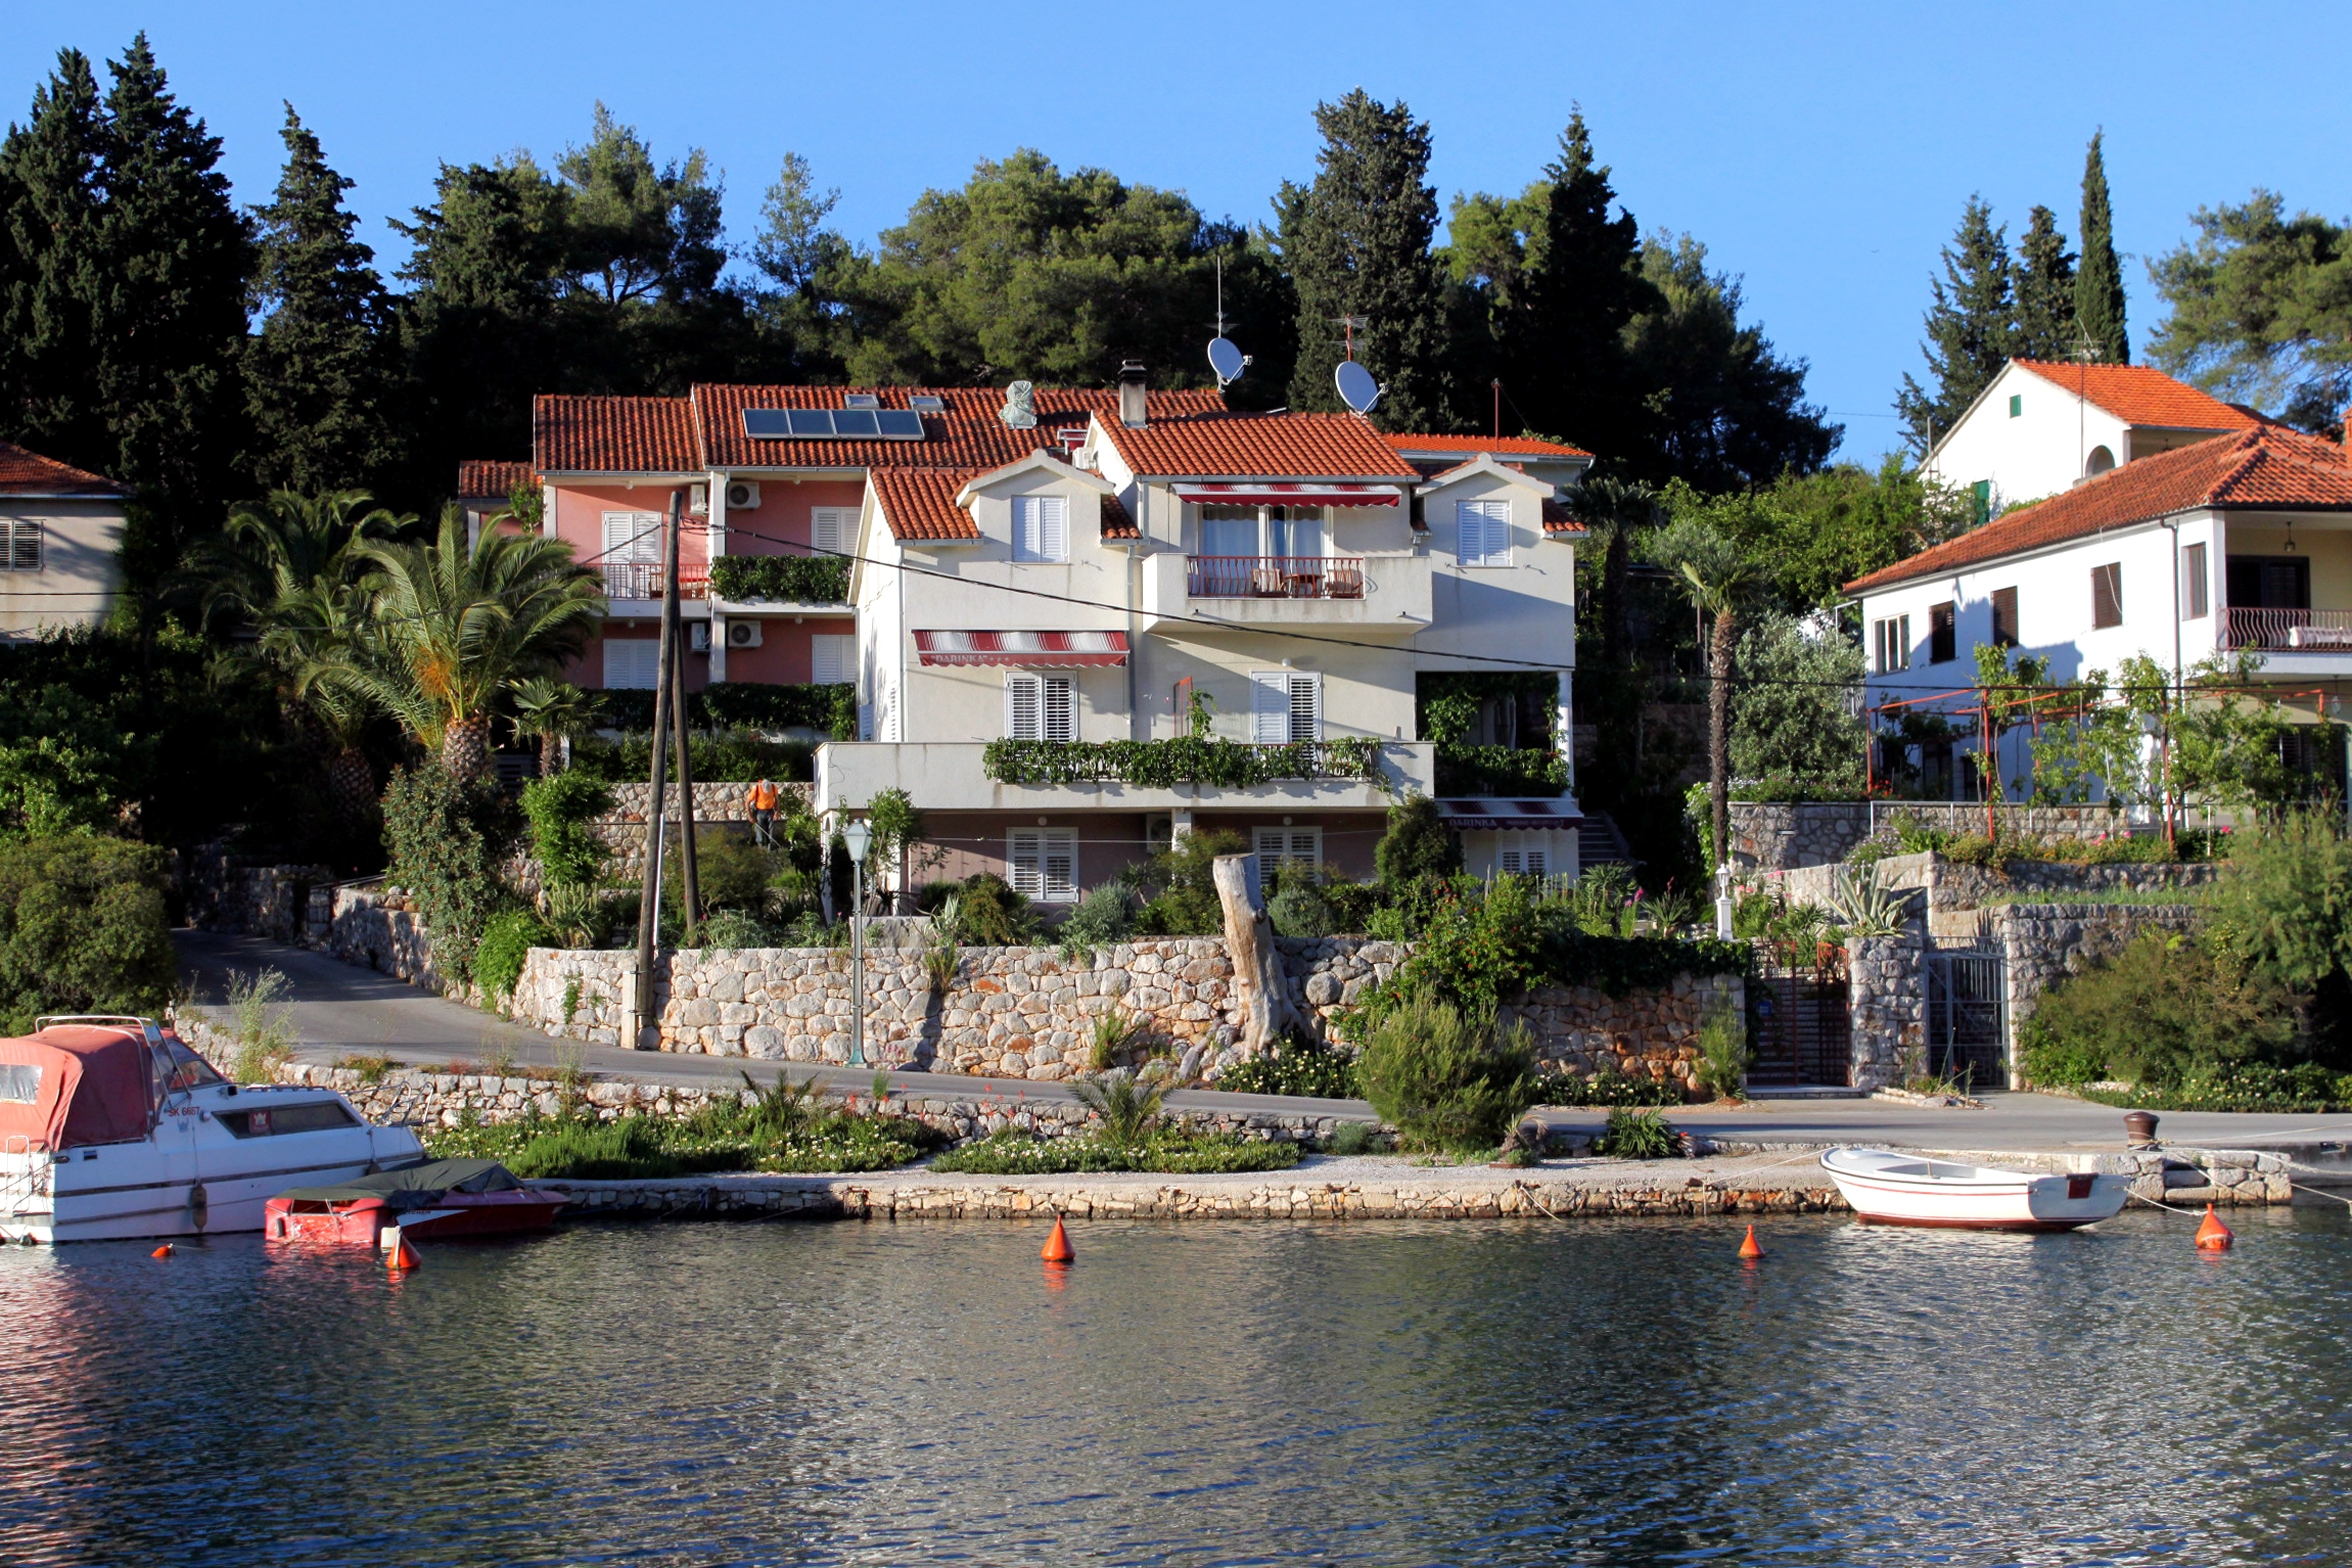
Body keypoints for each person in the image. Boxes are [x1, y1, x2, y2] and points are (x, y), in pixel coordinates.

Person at [747, 778, 779, 847]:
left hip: (770, 811)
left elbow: (777, 800)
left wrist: (776, 813)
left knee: (771, 831)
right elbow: (747, 803)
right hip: (759, 811)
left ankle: (770, 848)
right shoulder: (756, 788)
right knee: (759, 831)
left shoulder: (773, 787)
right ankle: (761, 848)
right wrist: (750, 816)